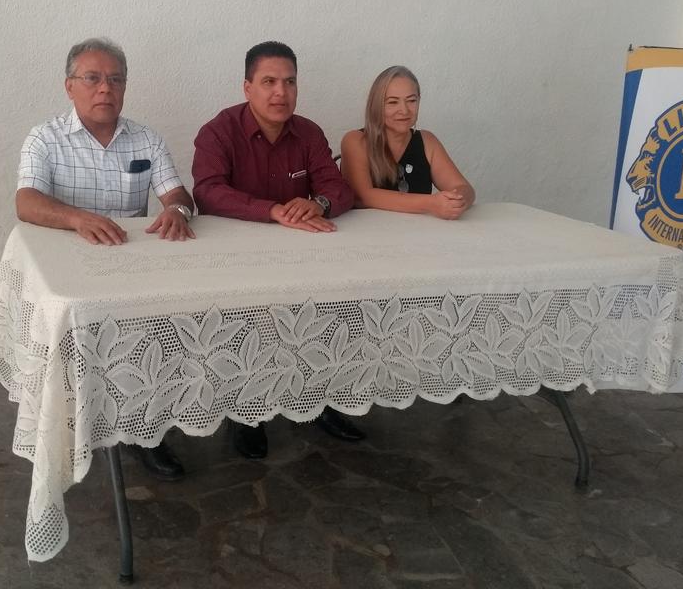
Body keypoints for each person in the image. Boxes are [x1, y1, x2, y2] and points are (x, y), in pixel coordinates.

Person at [16, 37, 194, 480]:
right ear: (69, 86)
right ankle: (72, 429)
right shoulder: (45, 139)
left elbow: (177, 194)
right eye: (92, 78)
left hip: (129, 265)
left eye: (115, 79)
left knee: (158, 336)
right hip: (69, 270)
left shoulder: (146, 139)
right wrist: (77, 218)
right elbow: (26, 202)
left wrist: (176, 210)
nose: (104, 89)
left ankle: (146, 431)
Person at [192, 40, 365, 459]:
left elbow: (338, 188)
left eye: (289, 82)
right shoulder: (218, 131)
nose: (280, 93)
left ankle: (319, 400)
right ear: (247, 87)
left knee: (328, 308)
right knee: (246, 324)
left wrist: (318, 203)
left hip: (299, 257)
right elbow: (208, 192)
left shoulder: (309, 132)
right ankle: (246, 413)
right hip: (236, 259)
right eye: (268, 82)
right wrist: (271, 210)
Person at [340, 65, 474, 217]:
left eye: (411, 101)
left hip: (418, 230)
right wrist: (431, 203)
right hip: (369, 231)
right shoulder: (355, 141)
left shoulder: (428, 141)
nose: (404, 110)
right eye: (392, 102)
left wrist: (457, 201)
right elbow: (362, 196)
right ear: (375, 105)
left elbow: (464, 188)